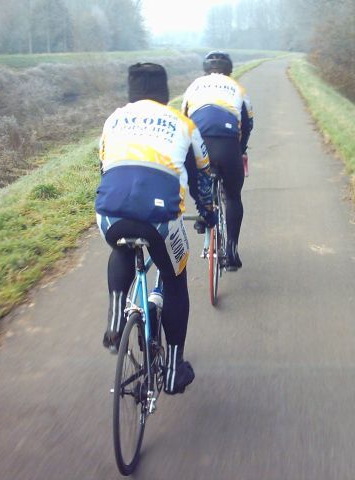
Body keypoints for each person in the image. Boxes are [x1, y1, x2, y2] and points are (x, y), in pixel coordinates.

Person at [95, 63, 216, 395]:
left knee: (121, 246)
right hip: (160, 219)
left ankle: (116, 321)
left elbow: (104, 166)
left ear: (130, 92)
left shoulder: (113, 120)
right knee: (176, 281)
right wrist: (208, 213)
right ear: (165, 93)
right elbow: (202, 178)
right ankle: (174, 370)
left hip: (109, 213)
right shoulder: (183, 123)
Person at [181, 51, 254, 271]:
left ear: (205, 70)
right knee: (232, 196)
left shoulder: (194, 86)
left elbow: (182, 120)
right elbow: (248, 123)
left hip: (198, 141)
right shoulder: (237, 88)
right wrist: (239, 150)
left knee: (199, 175)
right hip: (227, 143)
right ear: (229, 70)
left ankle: (204, 213)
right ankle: (231, 250)